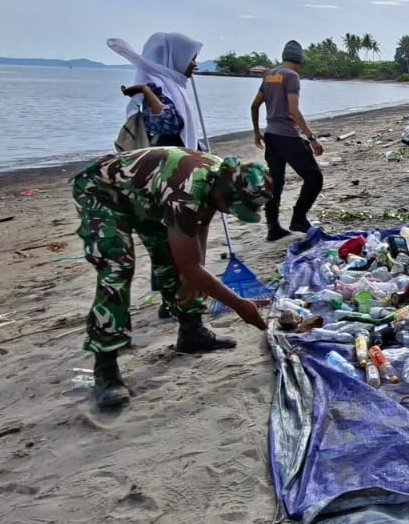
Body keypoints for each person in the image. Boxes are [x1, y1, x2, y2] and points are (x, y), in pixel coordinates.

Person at [73, 147, 272, 412]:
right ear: (224, 192)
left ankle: (191, 332)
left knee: (172, 261)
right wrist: (239, 305)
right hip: (102, 193)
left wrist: (195, 271)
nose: (230, 213)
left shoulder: (220, 176)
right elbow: (190, 260)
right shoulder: (186, 191)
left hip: (148, 197)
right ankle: (105, 369)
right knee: (117, 269)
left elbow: (200, 223)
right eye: (232, 207)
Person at [251, 41, 325, 241]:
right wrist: (311, 138)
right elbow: (293, 109)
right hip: (287, 136)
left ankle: (273, 227)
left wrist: (257, 131)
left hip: (271, 136)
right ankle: (298, 218)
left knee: (276, 182)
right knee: (314, 177)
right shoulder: (292, 76)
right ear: (299, 60)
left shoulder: (269, 75)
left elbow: (255, 105)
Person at [111, 32, 202, 148]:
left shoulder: (173, 85)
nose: (194, 64)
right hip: (165, 156)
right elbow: (167, 124)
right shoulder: (157, 85)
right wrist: (146, 90)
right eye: (191, 59)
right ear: (175, 58)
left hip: (177, 151)